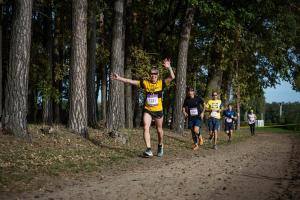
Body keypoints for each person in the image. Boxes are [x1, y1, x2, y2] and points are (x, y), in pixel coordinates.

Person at [110, 58, 175, 157]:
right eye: (152, 74)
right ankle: (149, 149)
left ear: (158, 75)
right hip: (148, 110)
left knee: (159, 130)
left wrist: (169, 67)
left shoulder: (161, 83)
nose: (153, 75)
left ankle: (160, 145)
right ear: (150, 75)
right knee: (145, 127)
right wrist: (119, 78)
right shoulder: (145, 83)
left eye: (155, 74)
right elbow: (130, 81)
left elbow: (172, 77)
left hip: (158, 110)